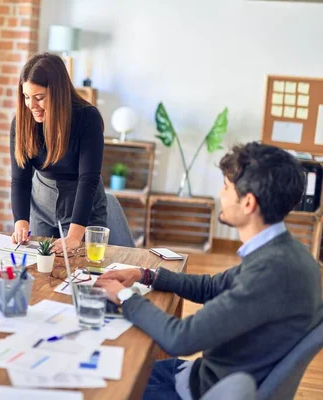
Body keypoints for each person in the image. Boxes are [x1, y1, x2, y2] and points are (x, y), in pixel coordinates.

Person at [96, 142, 323, 400]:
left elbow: (180, 338)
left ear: (248, 202)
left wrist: (125, 297)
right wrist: (146, 275)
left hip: (199, 391)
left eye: (226, 187)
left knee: (102, 384)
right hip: (205, 377)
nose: (220, 193)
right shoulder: (290, 253)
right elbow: (213, 287)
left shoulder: (270, 272)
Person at [10, 53, 106, 254]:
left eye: (39, 98)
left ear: (58, 93)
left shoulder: (87, 118)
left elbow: (88, 179)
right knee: (41, 269)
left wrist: (74, 236)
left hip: (83, 207)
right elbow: (20, 180)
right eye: (26, 97)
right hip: (42, 205)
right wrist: (20, 223)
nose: (31, 105)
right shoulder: (22, 122)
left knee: (82, 269)